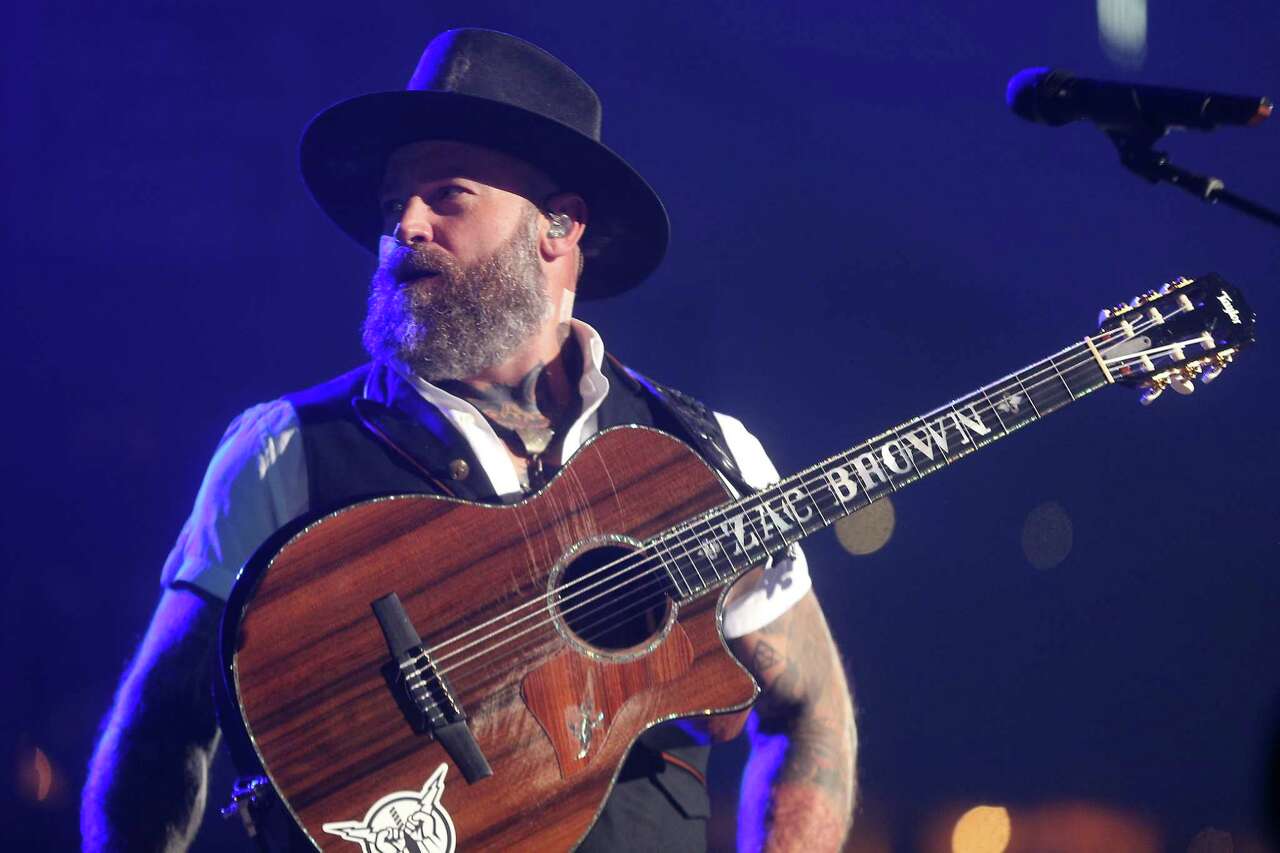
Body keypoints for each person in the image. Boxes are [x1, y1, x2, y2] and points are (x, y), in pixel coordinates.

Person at [82, 29, 856, 852]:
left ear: (558, 227)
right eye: (391, 205)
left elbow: (811, 710)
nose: (403, 226)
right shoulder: (285, 449)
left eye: (446, 195)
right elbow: (158, 745)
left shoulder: (704, 451)